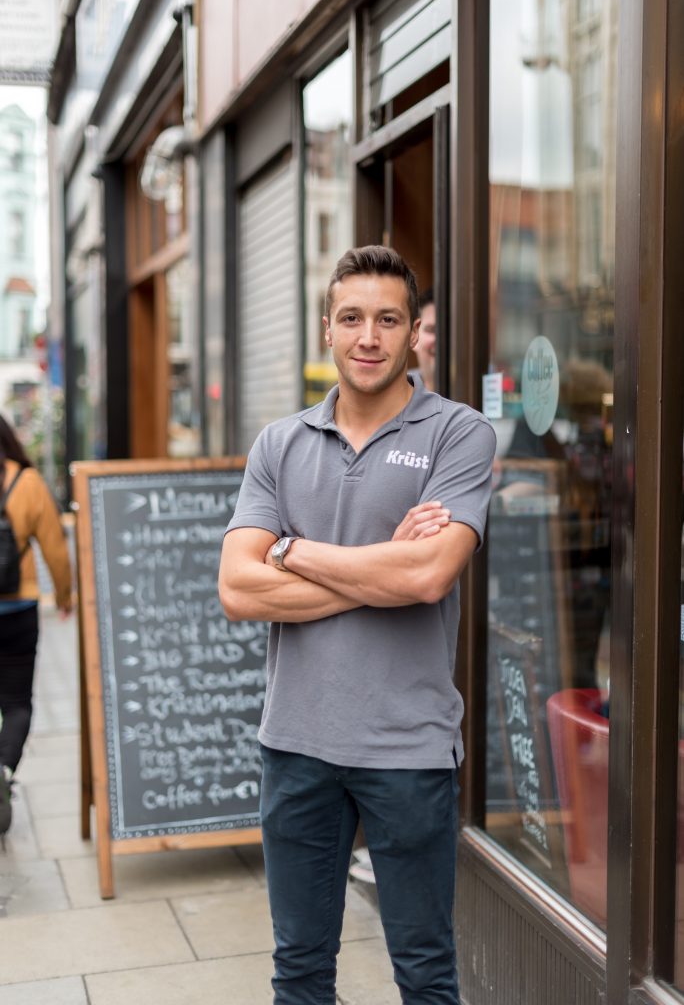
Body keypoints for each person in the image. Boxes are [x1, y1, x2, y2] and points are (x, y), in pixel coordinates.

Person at [219, 246, 496, 1005]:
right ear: (327, 329)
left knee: (425, 974)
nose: (367, 337)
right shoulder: (280, 443)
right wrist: (381, 570)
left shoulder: (459, 434)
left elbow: (427, 576)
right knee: (300, 971)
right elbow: (238, 588)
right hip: (295, 744)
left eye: (387, 320)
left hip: (408, 747)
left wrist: (292, 551)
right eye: (351, 318)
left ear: (413, 333)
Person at [0, 415, 73, 834]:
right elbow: (55, 549)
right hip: (17, 609)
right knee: (16, 702)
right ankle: (4, 767)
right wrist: (65, 597)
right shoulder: (26, 482)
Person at [409, 286, 437, 391]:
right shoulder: (392, 393)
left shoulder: (479, 390)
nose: (441, 340)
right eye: (431, 330)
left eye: (449, 330)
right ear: (413, 337)